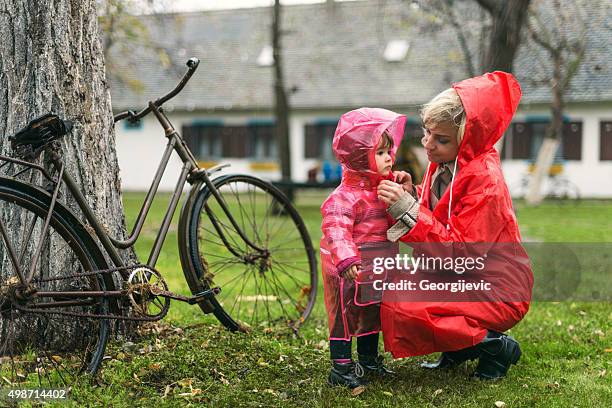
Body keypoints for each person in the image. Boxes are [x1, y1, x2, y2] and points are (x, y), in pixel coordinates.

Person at [377, 71, 533, 380]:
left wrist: (407, 210)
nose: (428, 145)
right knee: (394, 289)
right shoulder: (450, 160)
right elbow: (444, 206)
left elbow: (462, 253)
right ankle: (460, 346)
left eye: (441, 139)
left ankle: (494, 347)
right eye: (427, 133)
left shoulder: (485, 181)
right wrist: (413, 193)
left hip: (497, 288)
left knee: (407, 303)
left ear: (469, 137)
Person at [320, 107, 407, 388]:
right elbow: (336, 229)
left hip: (377, 266)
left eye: (389, 151)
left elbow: (402, 210)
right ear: (360, 157)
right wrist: (346, 259)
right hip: (348, 270)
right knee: (344, 317)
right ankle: (341, 366)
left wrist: (408, 191)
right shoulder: (345, 197)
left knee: (372, 312)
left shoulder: (384, 187)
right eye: (381, 153)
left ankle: (369, 359)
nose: (389, 158)